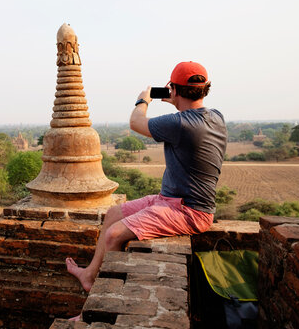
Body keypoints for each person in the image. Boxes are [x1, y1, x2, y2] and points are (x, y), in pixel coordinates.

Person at [66, 61, 227, 295]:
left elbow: (136, 122)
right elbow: (191, 115)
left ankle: (104, 300)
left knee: (114, 235)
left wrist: (144, 100)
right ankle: (89, 275)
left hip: (190, 211)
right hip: (170, 200)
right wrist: (177, 99)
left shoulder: (180, 123)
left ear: (173, 89)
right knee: (113, 214)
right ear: (205, 88)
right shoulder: (217, 117)